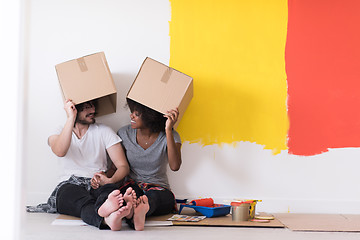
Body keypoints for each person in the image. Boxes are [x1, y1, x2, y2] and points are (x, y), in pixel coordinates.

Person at [27, 99, 136, 231]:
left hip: (97, 183)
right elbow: (60, 151)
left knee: (111, 191)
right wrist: (70, 118)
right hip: (69, 185)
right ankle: (106, 218)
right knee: (77, 199)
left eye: (93, 106)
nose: (93, 111)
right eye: (86, 107)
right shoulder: (60, 131)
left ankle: (108, 216)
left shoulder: (104, 130)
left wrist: (109, 180)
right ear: (74, 109)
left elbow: (123, 166)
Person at [115, 98, 182, 230]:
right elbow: (116, 166)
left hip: (159, 188)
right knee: (131, 196)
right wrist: (104, 179)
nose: (131, 116)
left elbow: (175, 166)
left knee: (153, 198)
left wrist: (168, 129)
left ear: (150, 117)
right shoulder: (124, 133)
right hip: (133, 187)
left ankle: (136, 211)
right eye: (132, 112)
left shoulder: (171, 136)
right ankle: (136, 214)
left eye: (137, 114)